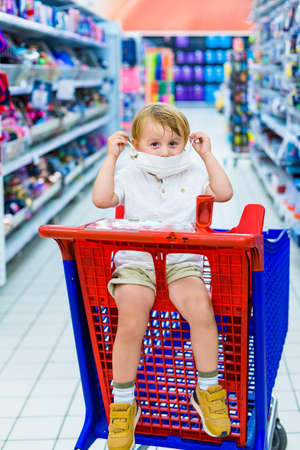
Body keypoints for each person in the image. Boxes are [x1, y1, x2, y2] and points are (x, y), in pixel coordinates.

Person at [92, 103, 233, 450]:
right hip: (136, 260)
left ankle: (207, 389)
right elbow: (102, 199)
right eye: (154, 144)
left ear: (186, 143)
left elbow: (225, 193)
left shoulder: (193, 171)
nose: (165, 151)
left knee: (201, 310)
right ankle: (124, 403)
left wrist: (207, 156)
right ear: (136, 144)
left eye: (174, 143)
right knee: (131, 321)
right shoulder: (129, 173)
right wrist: (111, 158)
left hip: (181, 261)